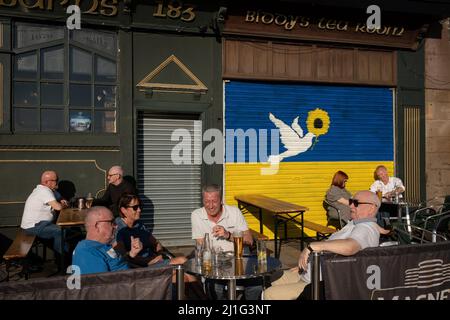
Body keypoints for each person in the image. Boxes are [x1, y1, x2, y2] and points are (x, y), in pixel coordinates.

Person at [264, 190, 381, 300]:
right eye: (351, 202)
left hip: (317, 285)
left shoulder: (366, 227)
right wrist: (308, 263)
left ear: (371, 208)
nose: (350, 206)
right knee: (268, 280)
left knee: (268, 294)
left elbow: (350, 246)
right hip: (308, 273)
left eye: (356, 203)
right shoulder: (355, 224)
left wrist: (313, 246)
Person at [191, 184, 260, 300]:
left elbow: (249, 240)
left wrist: (228, 235)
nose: (210, 206)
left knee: (256, 286)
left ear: (221, 201)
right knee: (214, 288)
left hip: (240, 260)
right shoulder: (197, 215)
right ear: (203, 200)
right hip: (216, 264)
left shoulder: (234, 212)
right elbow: (201, 246)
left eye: (214, 201)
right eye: (207, 201)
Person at [114, 193, 187, 268]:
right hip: (141, 267)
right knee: (182, 261)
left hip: (155, 260)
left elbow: (155, 243)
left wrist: (159, 253)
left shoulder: (139, 224)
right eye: (135, 207)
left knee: (186, 269)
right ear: (123, 210)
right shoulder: (118, 229)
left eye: (140, 206)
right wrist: (149, 260)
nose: (139, 210)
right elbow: (122, 256)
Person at [72, 206, 141, 274]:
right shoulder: (87, 253)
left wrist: (131, 254)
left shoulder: (101, 246)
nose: (116, 226)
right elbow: (102, 284)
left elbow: (117, 264)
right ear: (97, 225)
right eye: (112, 222)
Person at [20, 170, 69, 254]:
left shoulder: (49, 190)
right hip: (33, 226)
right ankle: (61, 260)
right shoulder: (44, 191)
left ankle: (66, 255)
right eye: (55, 180)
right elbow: (58, 207)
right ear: (47, 182)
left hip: (40, 224)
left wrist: (62, 199)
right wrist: (64, 205)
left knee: (63, 231)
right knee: (60, 231)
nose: (57, 182)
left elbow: (59, 197)